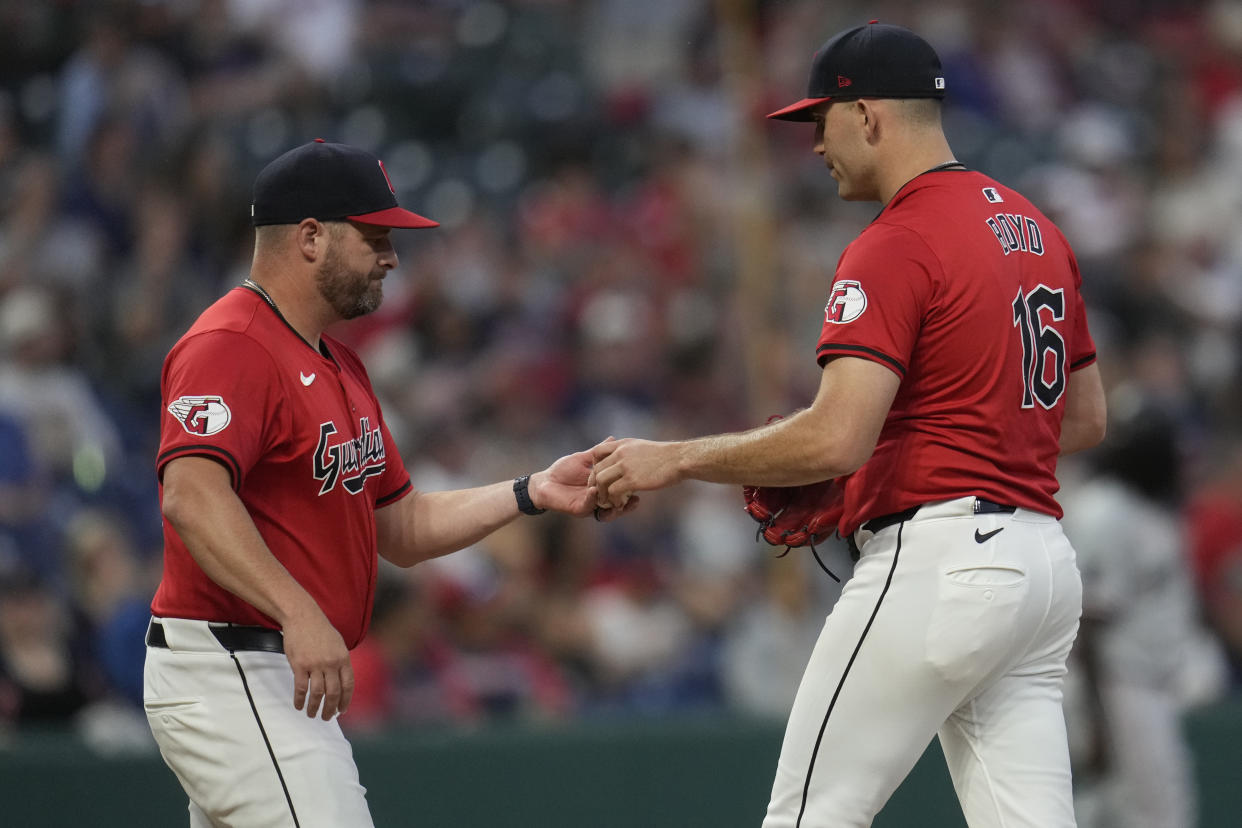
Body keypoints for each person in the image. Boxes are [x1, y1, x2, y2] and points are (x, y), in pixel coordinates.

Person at [591, 21, 1107, 828]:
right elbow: (1081, 418)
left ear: (867, 116)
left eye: (819, 121)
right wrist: (936, 441)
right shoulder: (1038, 228)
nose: (814, 144)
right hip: (1041, 569)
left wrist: (677, 459)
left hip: (941, 563)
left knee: (808, 817)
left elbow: (835, 439)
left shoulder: (896, 240)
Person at [143, 139, 631, 827]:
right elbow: (191, 496)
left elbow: (401, 528)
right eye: (374, 236)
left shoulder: (339, 364)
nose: (391, 257)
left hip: (279, 671)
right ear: (310, 237)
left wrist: (530, 491)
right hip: (234, 666)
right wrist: (299, 610)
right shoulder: (231, 344)